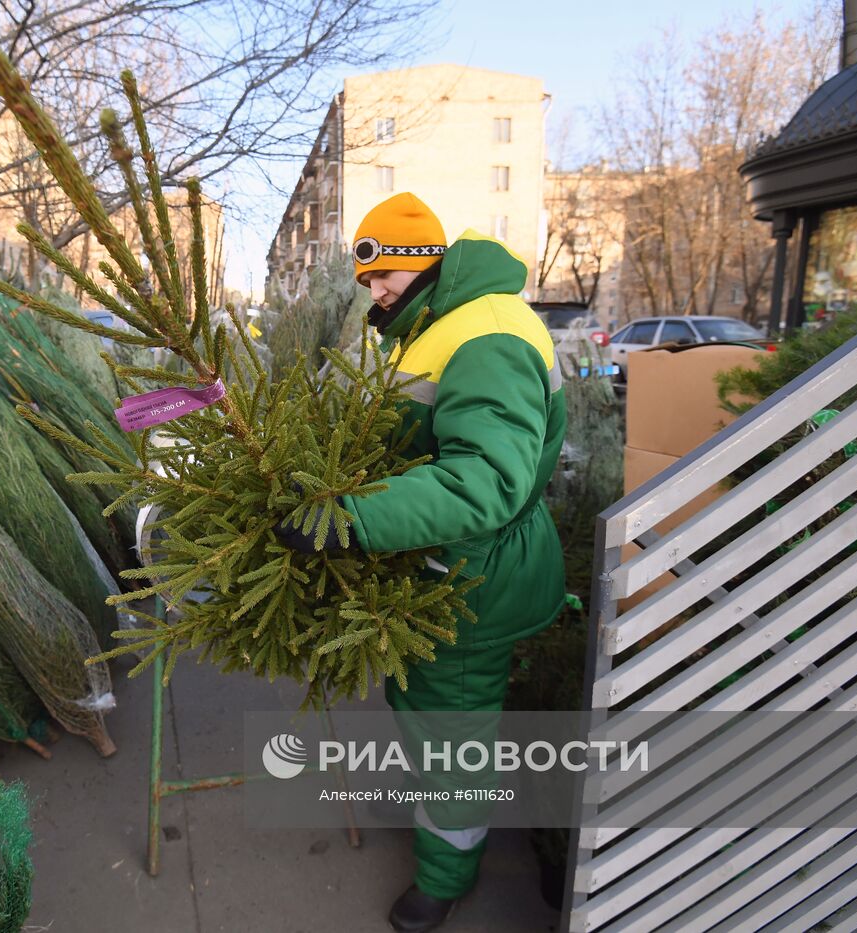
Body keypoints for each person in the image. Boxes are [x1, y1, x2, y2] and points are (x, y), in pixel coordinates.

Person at [277, 192, 568, 932]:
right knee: (430, 718)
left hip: (473, 582)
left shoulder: (488, 333)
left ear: (420, 262)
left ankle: (448, 875)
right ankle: (440, 816)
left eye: (381, 276)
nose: (373, 293)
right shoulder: (432, 325)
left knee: (455, 736)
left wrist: (351, 519)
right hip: (441, 573)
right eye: (365, 280)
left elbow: (486, 480)